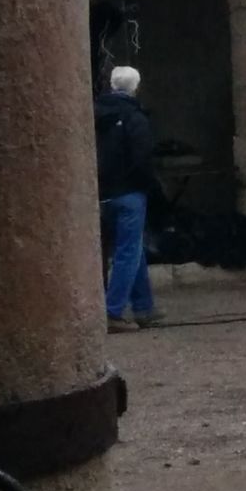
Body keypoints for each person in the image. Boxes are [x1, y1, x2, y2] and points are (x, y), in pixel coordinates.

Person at [95, 65, 162, 332]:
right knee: (128, 252)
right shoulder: (136, 118)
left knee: (133, 250)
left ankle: (144, 306)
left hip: (103, 192)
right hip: (130, 192)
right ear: (136, 87)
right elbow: (142, 158)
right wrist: (150, 187)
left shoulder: (97, 113)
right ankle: (113, 311)